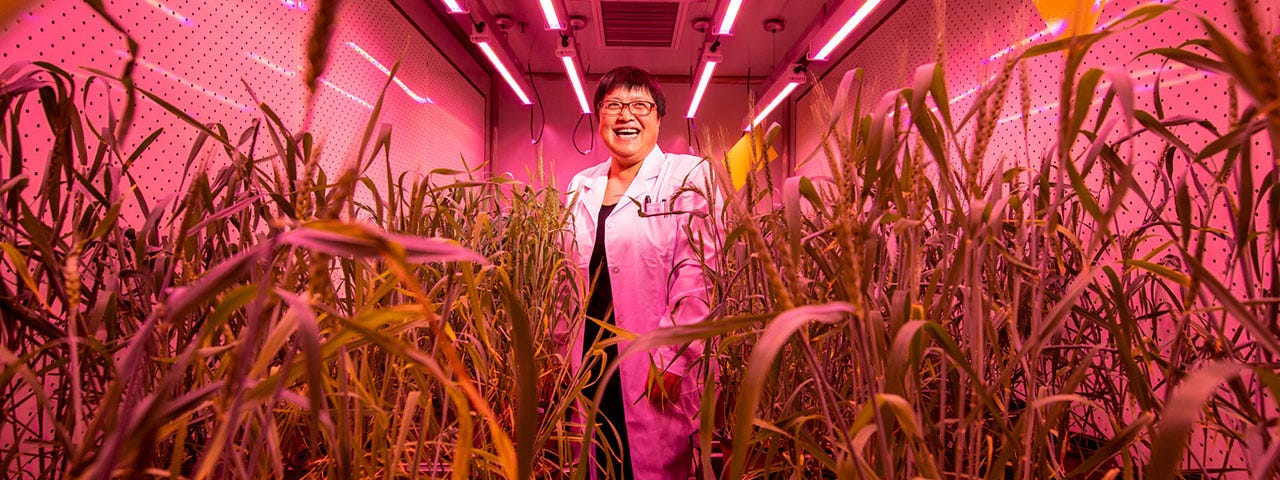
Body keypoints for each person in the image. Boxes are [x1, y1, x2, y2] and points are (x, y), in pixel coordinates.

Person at [561, 66, 719, 479]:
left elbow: (696, 275)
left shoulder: (687, 174)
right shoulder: (581, 184)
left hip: (652, 366)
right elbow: (565, 278)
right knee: (596, 463)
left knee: (648, 465)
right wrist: (557, 351)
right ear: (599, 116)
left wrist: (674, 359)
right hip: (589, 362)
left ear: (659, 117)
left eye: (639, 105)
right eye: (613, 105)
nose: (625, 116)